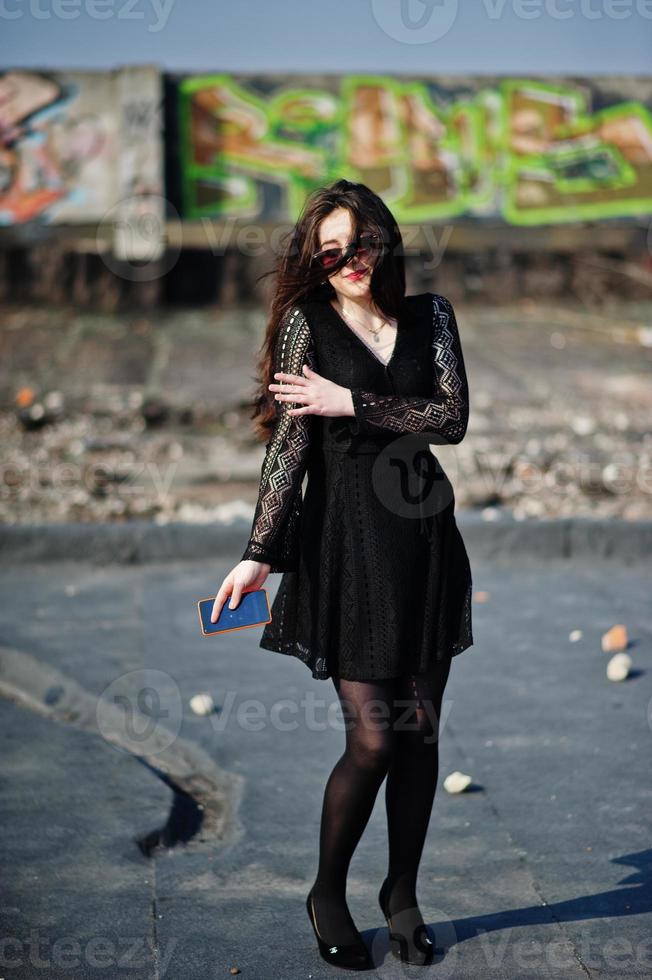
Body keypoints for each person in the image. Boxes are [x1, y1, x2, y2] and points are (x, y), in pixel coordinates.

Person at [211, 178, 474, 970]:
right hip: (347, 548)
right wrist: (259, 553)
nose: (347, 260)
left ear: (382, 241)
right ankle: (328, 888)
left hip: (427, 541)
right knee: (373, 736)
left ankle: (403, 893)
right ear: (315, 260)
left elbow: (451, 418)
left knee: (419, 730)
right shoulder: (306, 322)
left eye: (358, 244)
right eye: (329, 250)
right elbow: (288, 449)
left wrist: (349, 400)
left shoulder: (431, 316)